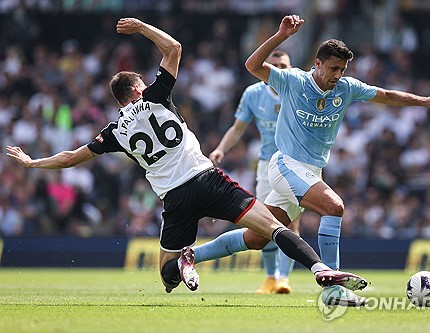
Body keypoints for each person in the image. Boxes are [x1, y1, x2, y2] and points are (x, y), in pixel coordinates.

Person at [5, 17, 368, 299]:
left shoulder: (114, 131)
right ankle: (320, 268)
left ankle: (184, 260)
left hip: (175, 198)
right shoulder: (157, 95)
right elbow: (174, 47)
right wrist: (140, 28)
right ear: (137, 88)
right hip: (209, 179)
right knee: (275, 228)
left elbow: (71, 157)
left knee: (167, 277)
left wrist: (32, 162)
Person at [191, 14, 430, 304]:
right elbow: (252, 66)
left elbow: (386, 95)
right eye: (332, 68)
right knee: (334, 206)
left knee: (258, 238)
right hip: (284, 165)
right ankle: (334, 288)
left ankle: (191, 254)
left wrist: (425, 101)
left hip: (311, 171)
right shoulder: (292, 80)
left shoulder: (346, 87)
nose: (337, 75)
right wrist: (281, 36)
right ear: (316, 64)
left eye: (342, 69)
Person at [209, 49, 300, 294]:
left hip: (296, 164)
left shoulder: (298, 89)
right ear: (264, 70)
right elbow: (238, 128)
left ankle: (284, 278)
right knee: (263, 223)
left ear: (291, 69)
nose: (280, 70)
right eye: (275, 66)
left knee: (290, 222)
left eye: (284, 66)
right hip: (266, 165)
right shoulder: (253, 94)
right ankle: (270, 278)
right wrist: (220, 149)